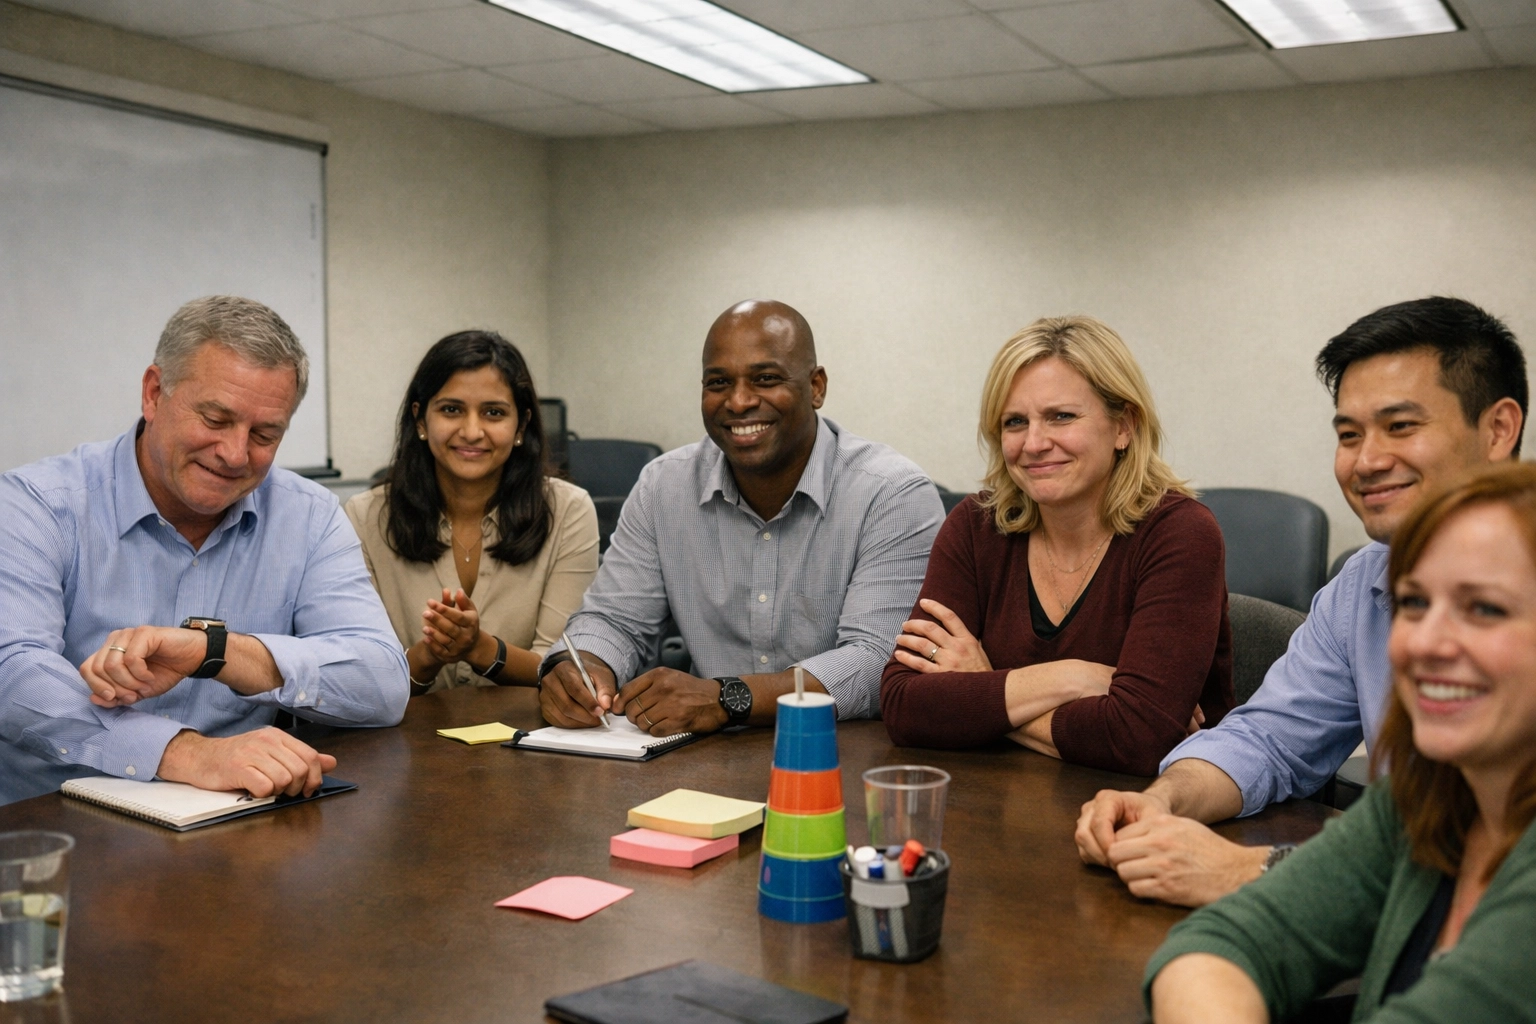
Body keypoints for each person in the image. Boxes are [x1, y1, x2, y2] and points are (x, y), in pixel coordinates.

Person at [1077, 296, 1527, 906]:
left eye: (1400, 427)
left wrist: (1253, 871)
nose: (1366, 461)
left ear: (1498, 429)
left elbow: (1492, 854)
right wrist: (1164, 801)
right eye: (1349, 434)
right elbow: (1271, 740)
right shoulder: (1363, 583)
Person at [1144, 462, 1536, 1023]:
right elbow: (1221, 941)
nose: (1425, 643)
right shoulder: (1425, 798)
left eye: (1485, 609)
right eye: (1413, 604)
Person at [0, 296, 408, 806]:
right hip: (60, 829)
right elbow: (12, 671)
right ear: (153, 394)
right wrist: (187, 754)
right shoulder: (36, 504)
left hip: (235, 832)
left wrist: (215, 652)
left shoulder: (309, 515)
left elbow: (383, 682)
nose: (235, 455)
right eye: (215, 419)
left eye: (264, 434)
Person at [538, 299, 943, 734]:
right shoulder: (663, 487)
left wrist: (728, 698)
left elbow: (876, 660)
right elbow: (614, 619)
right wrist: (580, 666)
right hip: (702, 763)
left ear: (817, 386)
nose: (739, 401)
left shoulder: (892, 493)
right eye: (718, 382)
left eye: (765, 379)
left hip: (840, 756)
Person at [880, 315, 1232, 776]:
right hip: (1001, 813)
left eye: (1061, 417)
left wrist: (981, 690)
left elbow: (1140, 738)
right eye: (1014, 422)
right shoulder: (976, 526)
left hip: (1154, 822)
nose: (1034, 443)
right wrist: (1074, 677)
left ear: (1124, 425)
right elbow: (904, 706)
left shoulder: (1181, 534)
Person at [345, 331, 598, 694]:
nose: (472, 431)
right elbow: (362, 679)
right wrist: (430, 655)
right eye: (451, 410)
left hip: (527, 740)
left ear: (521, 426)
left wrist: (481, 649)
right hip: (405, 742)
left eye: (493, 413)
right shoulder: (365, 517)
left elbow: (565, 668)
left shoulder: (569, 512)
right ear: (420, 420)